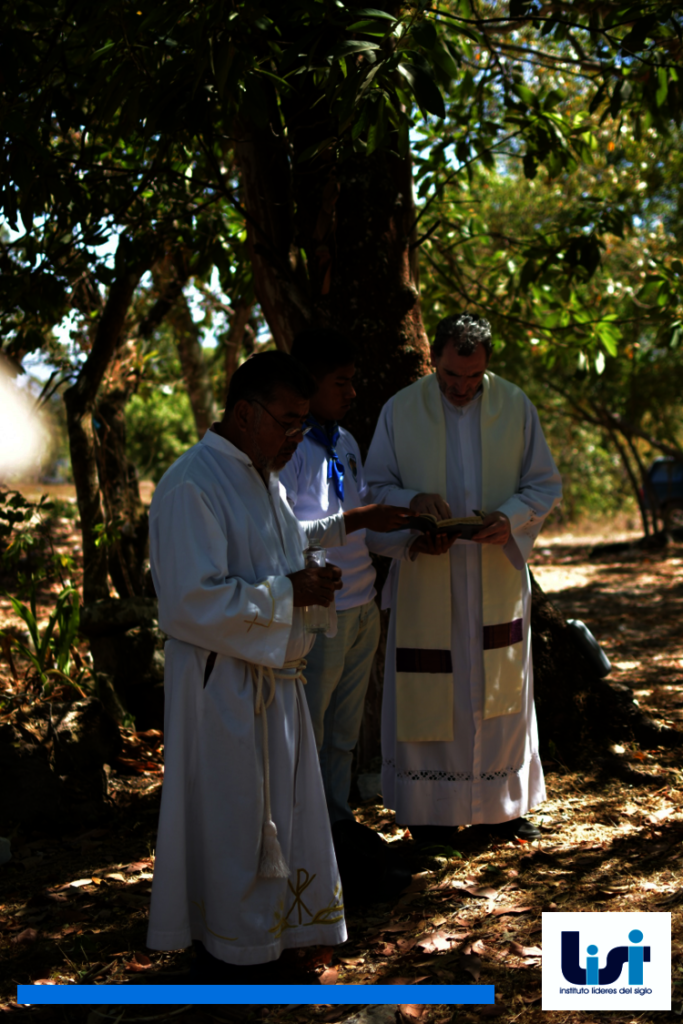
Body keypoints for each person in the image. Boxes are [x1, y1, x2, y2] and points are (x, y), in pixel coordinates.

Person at [146, 350, 408, 983]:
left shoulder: (262, 477)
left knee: (283, 817)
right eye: (289, 423)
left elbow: (287, 558)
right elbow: (190, 602)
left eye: (301, 425)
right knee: (236, 817)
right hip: (225, 687)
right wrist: (292, 591)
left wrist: (309, 582)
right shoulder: (191, 484)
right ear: (244, 412)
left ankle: (282, 936)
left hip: (275, 682)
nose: (297, 438)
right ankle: (233, 949)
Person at [364, 314, 562, 845]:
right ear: (435, 360)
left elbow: (543, 485)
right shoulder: (401, 410)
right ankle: (430, 813)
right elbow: (374, 487)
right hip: (429, 573)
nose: (461, 388)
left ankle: (502, 808)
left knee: (497, 686)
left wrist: (510, 518)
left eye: (473, 379)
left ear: (487, 366)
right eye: (451, 376)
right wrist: (412, 507)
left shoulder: (514, 405)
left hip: (493, 573)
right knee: (436, 688)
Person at [280, 329, 414, 899]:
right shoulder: (288, 452)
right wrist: (360, 520)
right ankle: (306, 839)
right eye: (343, 383)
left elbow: (362, 526)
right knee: (309, 728)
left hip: (362, 607)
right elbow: (284, 538)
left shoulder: (348, 443)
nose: (354, 392)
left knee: (342, 733)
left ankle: (336, 825)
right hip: (323, 616)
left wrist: (412, 533)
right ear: (310, 386)